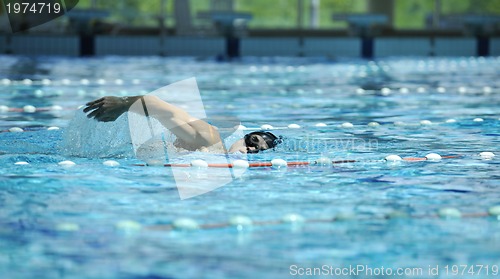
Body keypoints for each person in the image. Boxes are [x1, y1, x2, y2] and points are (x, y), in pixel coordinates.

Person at [83, 95, 280, 154]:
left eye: (257, 151)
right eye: (252, 141)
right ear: (241, 137)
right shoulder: (210, 139)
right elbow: (163, 110)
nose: (250, 148)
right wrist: (125, 104)